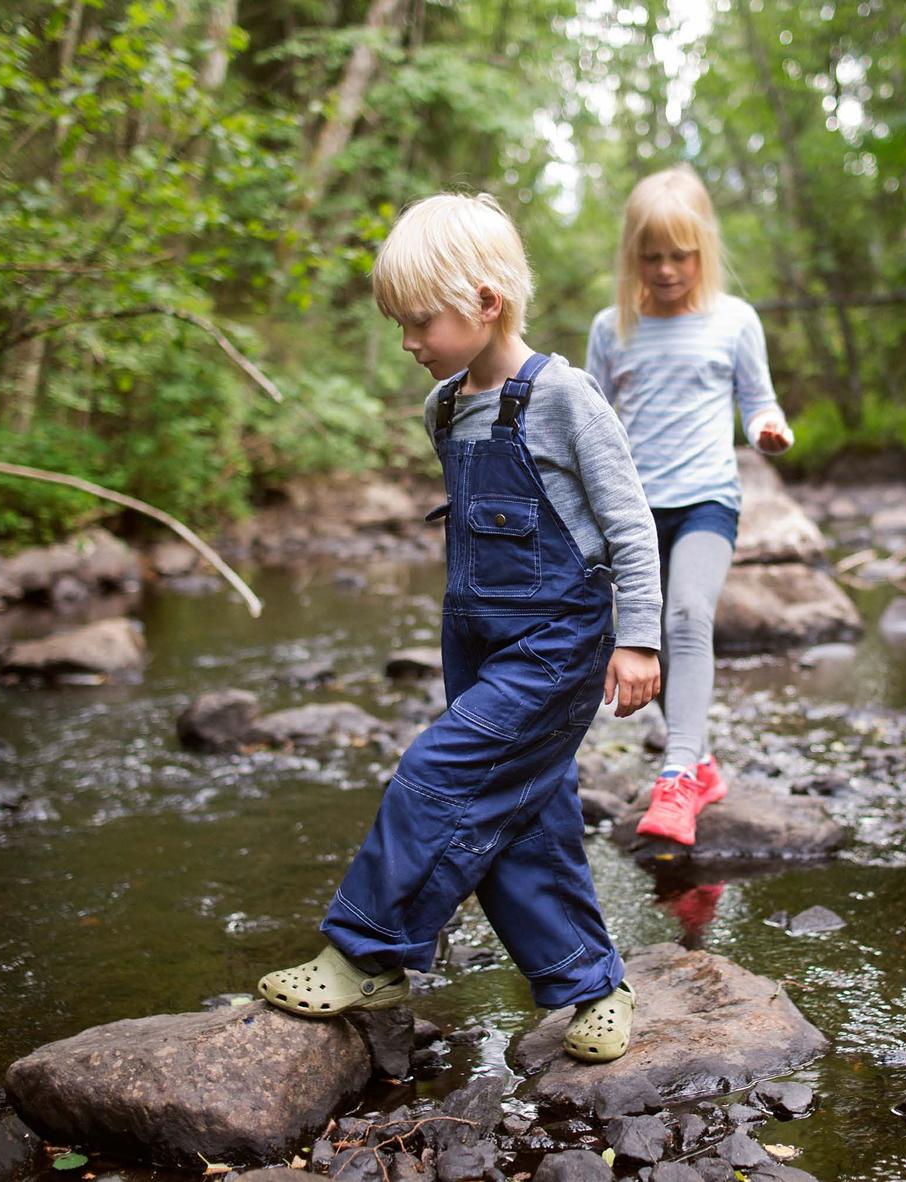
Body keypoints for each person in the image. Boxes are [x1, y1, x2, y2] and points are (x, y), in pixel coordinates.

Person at [258, 192, 663, 1064]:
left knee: (433, 776)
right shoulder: (444, 407)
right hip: (474, 637)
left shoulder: (564, 398)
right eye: (398, 324)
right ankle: (594, 984)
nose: (408, 343)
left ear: (486, 303)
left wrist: (639, 639)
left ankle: (368, 953)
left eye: (419, 323)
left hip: (558, 640)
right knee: (524, 818)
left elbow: (629, 523)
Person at [586, 163, 794, 848]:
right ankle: (699, 758)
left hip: (708, 500)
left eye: (681, 256)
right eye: (653, 257)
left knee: (686, 616)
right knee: (646, 641)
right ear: (633, 257)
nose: (668, 269)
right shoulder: (613, 328)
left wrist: (767, 427)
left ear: (703, 250)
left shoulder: (734, 321)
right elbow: (590, 420)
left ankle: (677, 776)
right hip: (634, 516)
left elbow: (757, 397)